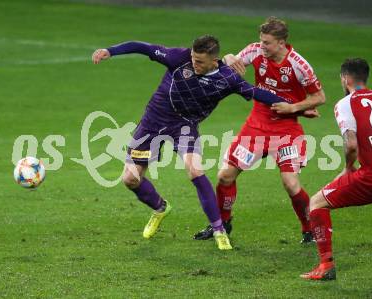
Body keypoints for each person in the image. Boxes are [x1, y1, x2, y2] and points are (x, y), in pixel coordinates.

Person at [92, 35, 287, 250]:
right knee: (130, 179)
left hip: (184, 126)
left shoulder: (227, 78)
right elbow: (143, 47)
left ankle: (219, 230)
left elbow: (258, 93)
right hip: (153, 121)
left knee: (195, 170)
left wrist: (297, 106)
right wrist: (110, 51)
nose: (194, 63)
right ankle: (160, 207)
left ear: (214, 61)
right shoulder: (178, 57)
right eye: (194, 58)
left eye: (200, 61)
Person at [193, 17, 326, 243]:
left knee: (291, 184)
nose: (262, 46)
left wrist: (294, 107)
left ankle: (308, 228)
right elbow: (229, 62)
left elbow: (319, 97)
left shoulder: (299, 65)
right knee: (225, 175)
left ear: (281, 43)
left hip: (286, 131)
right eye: (261, 41)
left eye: (267, 43)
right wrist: (228, 58)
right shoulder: (256, 52)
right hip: (256, 126)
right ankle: (222, 224)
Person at [301, 58, 372, 280]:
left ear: (345, 79)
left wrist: (348, 167)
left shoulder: (345, 104)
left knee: (316, 203)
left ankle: (326, 266)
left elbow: (351, 144)